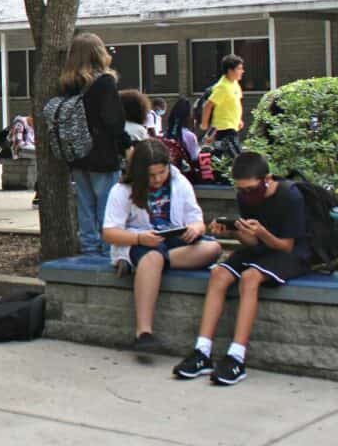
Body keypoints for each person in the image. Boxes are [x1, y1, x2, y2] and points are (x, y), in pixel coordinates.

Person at [173, 152, 311, 385]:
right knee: (218, 273)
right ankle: (202, 351)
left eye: (250, 189)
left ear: (267, 179)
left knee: (250, 278)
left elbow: (286, 246)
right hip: (262, 248)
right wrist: (234, 232)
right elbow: (252, 244)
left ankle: (237, 356)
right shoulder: (246, 198)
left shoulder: (290, 196)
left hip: (290, 254)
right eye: (241, 190)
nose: (246, 194)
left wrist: (261, 232)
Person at [103, 139, 222, 353]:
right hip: (139, 239)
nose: (157, 179)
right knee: (152, 257)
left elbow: (196, 219)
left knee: (212, 249)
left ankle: (150, 268)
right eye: (151, 175)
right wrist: (140, 240)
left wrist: (195, 228)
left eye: (162, 172)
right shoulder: (121, 190)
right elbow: (109, 232)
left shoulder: (180, 181)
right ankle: (144, 333)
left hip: (174, 239)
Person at [60, 33, 131, 255]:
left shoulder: (69, 84)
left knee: (85, 205)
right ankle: (107, 248)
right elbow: (114, 121)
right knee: (107, 206)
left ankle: (89, 247)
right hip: (103, 153)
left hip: (78, 154)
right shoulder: (105, 83)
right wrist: (126, 147)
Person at [200, 54, 245, 149]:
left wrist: (239, 120)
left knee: (222, 157)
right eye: (239, 69)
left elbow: (235, 103)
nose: (242, 71)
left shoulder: (235, 83)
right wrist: (204, 124)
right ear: (230, 71)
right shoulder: (222, 87)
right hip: (223, 128)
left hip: (232, 127)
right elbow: (208, 105)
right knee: (236, 157)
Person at [163, 97, 200, 175]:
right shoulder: (190, 136)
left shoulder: (165, 135)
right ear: (189, 117)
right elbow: (194, 158)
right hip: (186, 175)